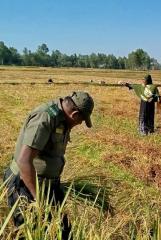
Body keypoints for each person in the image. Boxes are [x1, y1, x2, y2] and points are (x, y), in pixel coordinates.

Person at [3, 91, 94, 239]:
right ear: (75, 114)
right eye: (81, 121)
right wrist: (38, 201)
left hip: (48, 186)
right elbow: (24, 161)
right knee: (31, 233)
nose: (80, 124)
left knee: (62, 232)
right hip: (25, 186)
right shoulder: (44, 117)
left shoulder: (63, 120)